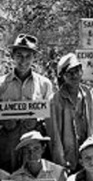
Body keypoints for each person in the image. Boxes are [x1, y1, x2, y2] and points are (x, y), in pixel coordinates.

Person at [0, 34, 53, 173]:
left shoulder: (44, 84)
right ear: (12, 56)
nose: (23, 61)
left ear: (34, 58)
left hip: (33, 151)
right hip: (7, 148)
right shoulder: (1, 85)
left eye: (28, 56)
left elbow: (49, 119)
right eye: (19, 56)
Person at [48, 53, 93, 172]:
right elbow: (54, 135)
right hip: (67, 159)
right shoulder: (55, 100)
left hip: (86, 158)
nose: (75, 75)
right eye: (70, 73)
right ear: (62, 76)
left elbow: (90, 123)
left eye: (77, 71)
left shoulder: (86, 93)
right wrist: (60, 164)